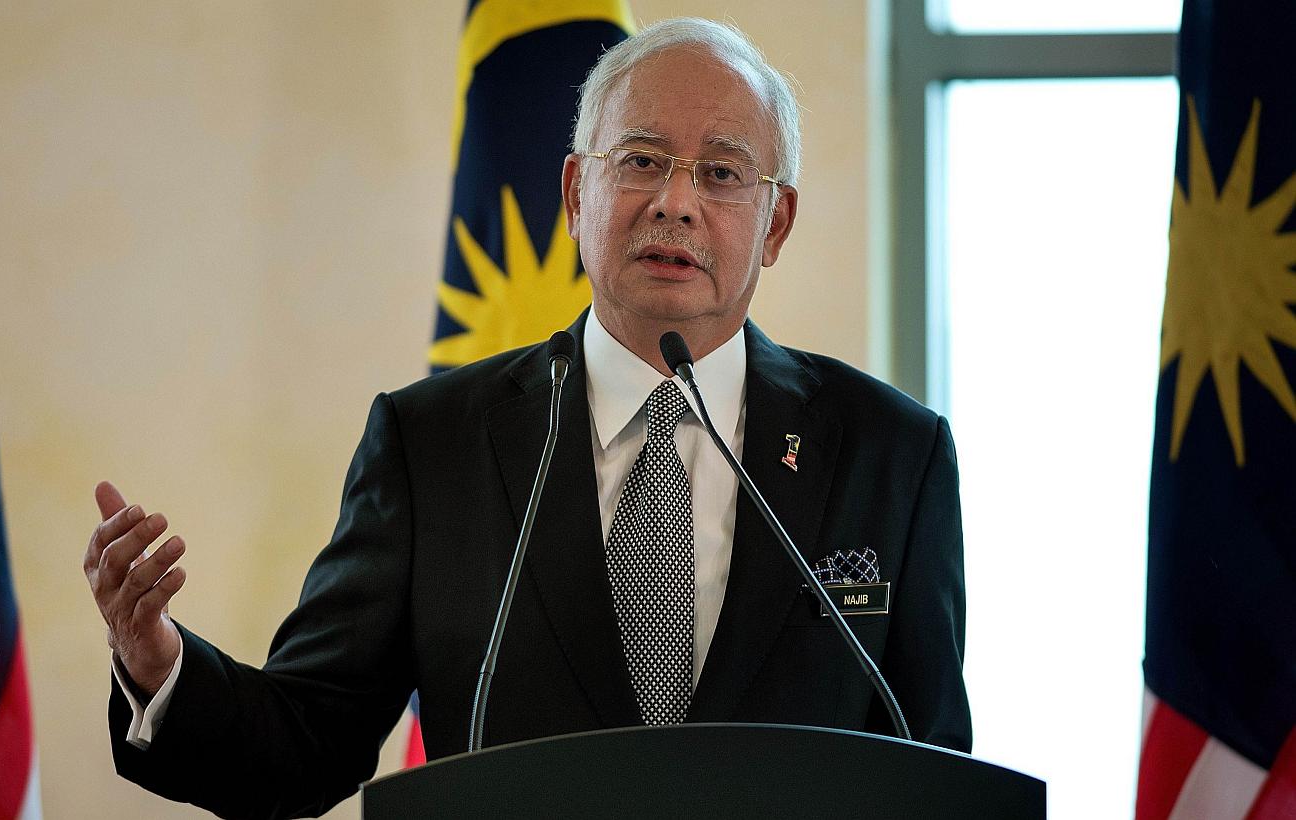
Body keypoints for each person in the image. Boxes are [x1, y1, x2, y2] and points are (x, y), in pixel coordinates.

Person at [84, 18, 971, 818]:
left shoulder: (893, 456)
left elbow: (934, 769)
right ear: (576, 192)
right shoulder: (434, 445)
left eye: (723, 172)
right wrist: (160, 662)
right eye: (641, 159)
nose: (675, 200)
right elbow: (307, 745)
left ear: (775, 224)